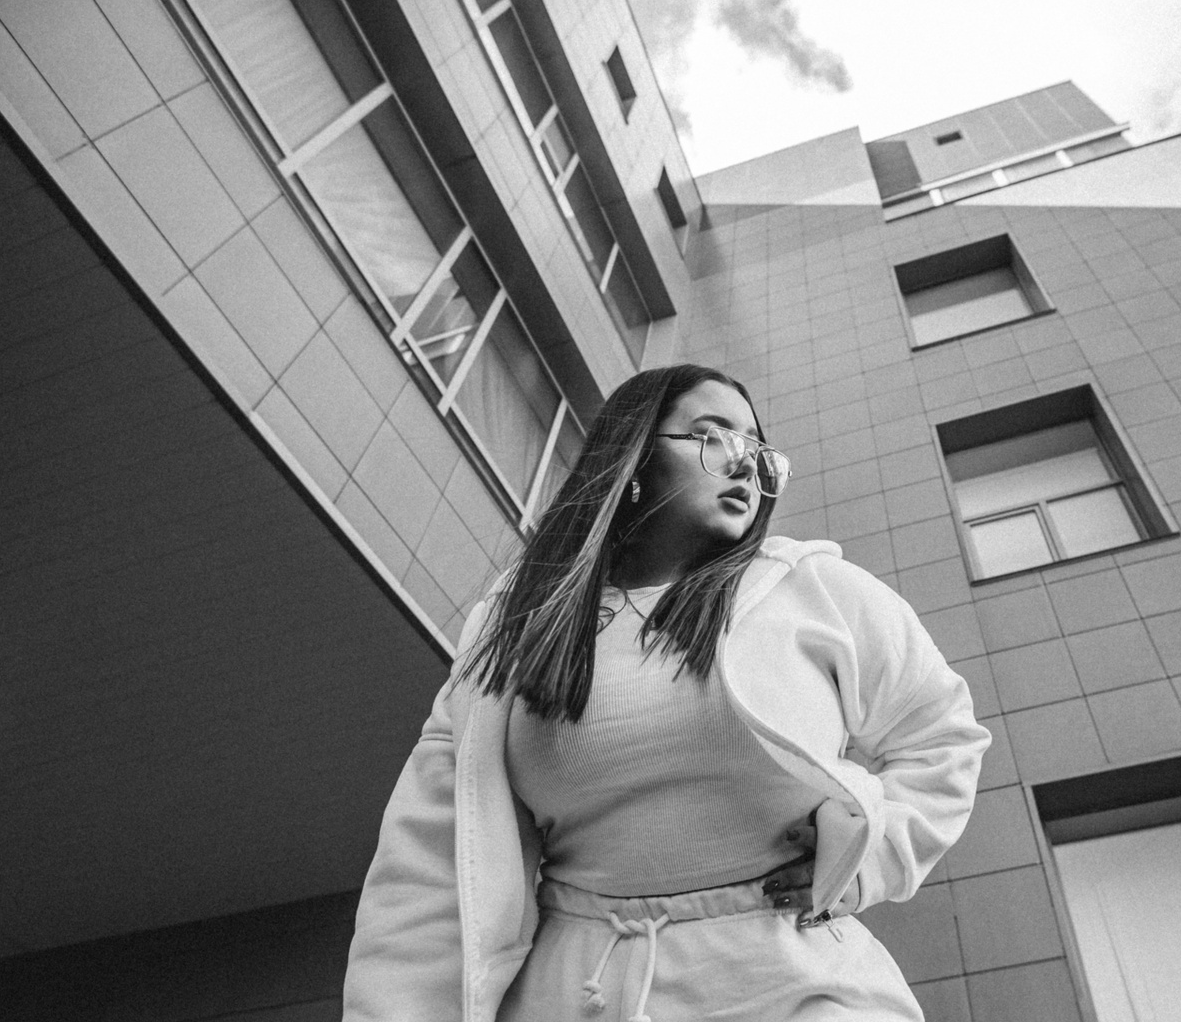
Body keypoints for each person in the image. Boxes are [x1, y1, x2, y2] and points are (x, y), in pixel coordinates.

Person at [343, 364, 990, 1022]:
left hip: (793, 982)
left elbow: (942, 736)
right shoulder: (516, 623)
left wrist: (870, 859)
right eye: (714, 438)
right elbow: (429, 868)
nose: (745, 464)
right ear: (634, 457)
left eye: (758, 451)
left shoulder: (813, 588)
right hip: (576, 992)